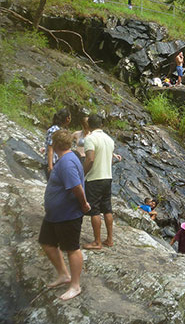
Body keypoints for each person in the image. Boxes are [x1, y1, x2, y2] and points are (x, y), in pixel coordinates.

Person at [38, 129, 90, 301]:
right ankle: (63, 275)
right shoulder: (66, 158)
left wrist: (84, 205)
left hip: (68, 214)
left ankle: (75, 286)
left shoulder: (67, 163)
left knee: (72, 249)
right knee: (47, 242)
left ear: (55, 144)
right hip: (56, 214)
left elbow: (76, 187)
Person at [82, 114, 122, 250]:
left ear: (88, 126)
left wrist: (82, 173)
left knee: (94, 210)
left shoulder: (90, 139)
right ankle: (110, 239)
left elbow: (90, 159)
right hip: (107, 177)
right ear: (101, 125)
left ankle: (97, 242)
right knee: (107, 208)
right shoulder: (109, 140)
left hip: (94, 178)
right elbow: (110, 160)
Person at [46, 108, 71, 179]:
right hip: (54, 163)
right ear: (67, 118)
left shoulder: (62, 130)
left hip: (60, 162)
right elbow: (50, 148)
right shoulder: (54, 130)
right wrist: (50, 167)